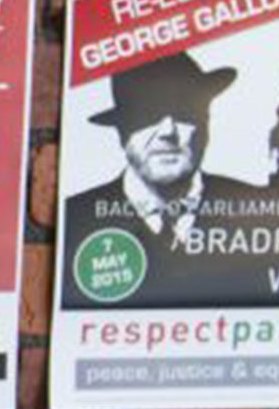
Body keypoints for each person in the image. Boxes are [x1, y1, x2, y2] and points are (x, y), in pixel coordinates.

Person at [59, 51, 262, 308]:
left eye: (184, 112)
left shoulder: (257, 210)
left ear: (207, 125)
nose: (168, 131)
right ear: (122, 132)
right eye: (148, 114)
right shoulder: (74, 220)